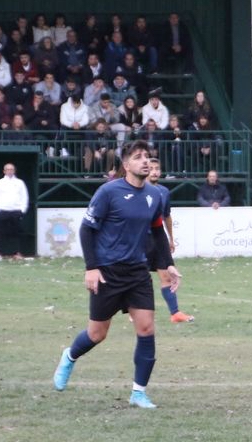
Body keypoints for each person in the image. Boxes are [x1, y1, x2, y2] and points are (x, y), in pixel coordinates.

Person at [52, 140, 182, 409]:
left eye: (147, 156)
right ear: (126, 165)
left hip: (137, 272)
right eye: (138, 157)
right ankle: (70, 356)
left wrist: (167, 264)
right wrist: (91, 267)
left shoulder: (155, 195)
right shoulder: (108, 192)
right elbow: (87, 230)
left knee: (146, 329)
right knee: (97, 334)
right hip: (107, 273)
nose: (145, 161)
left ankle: (138, 393)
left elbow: (157, 230)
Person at [148, 158, 194, 323]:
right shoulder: (137, 190)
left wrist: (171, 239)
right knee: (137, 277)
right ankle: (134, 312)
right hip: (139, 240)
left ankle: (175, 314)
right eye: (151, 168)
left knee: (167, 276)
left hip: (158, 240)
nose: (154, 171)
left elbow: (166, 216)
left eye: (157, 168)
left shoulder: (164, 192)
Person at [0, 162, 29, 258]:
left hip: (16, 211)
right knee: (1, 232)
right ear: (4, 171)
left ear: (14, 171)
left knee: (16, 233)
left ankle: (17, 252)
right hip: (3, 211)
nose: (10, 171)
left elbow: (24, 197)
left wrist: (22, 210)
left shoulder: (20, 183)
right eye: (8, 169)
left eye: (11, 169)